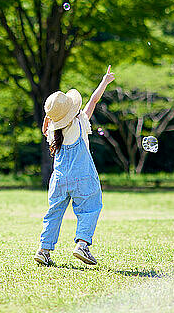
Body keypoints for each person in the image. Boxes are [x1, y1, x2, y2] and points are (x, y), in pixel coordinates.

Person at [34, 66, 115, 266]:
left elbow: (48, 126)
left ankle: (43, 250)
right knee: (90, 208)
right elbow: (93, 101)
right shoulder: (79, 122)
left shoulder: (53, 133)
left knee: (53, 213)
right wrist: (104, 81)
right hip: (83, 176)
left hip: (59, 179)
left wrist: (49, 120)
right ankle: (82, 245)